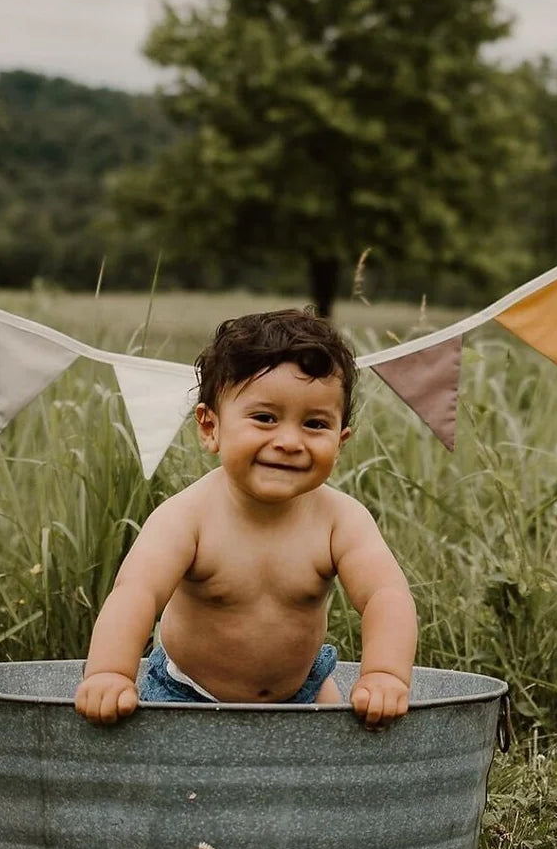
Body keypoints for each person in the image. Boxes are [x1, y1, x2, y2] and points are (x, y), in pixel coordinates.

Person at [74, 309, 417, 730]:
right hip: (187, 692)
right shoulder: (187, 517)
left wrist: (384, 673)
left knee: (340, 750)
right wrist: (109, 673)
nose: (289, 441)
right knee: (171, 764)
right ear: (210, 427)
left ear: (340, 440)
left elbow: (385, 595)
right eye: (265, 418)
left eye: (314, 424)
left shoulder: (341, 520)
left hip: (303, 688)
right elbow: (136, 593)